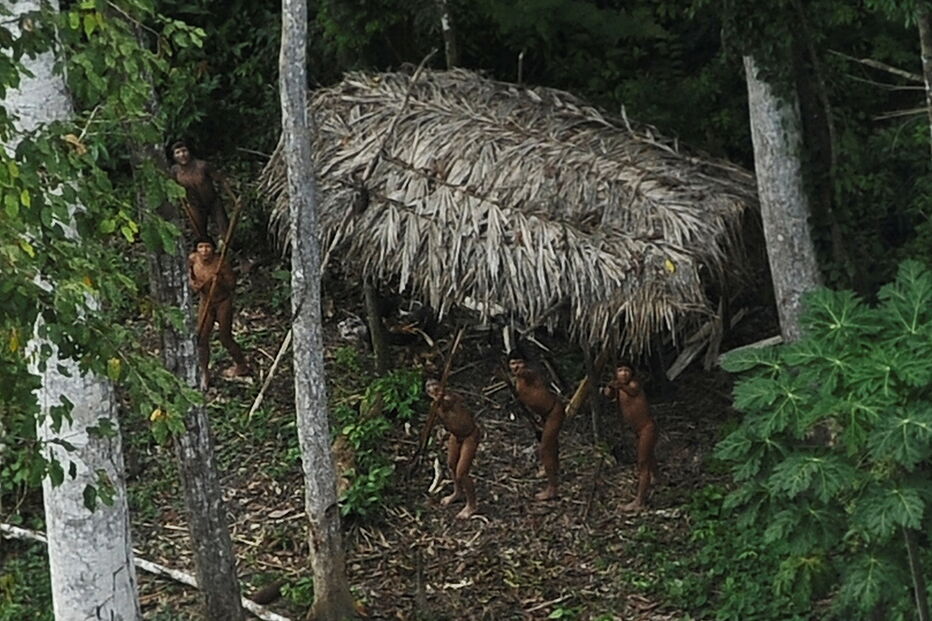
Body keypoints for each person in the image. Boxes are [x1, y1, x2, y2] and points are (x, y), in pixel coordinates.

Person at [188, 238, 249, 390]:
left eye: (207, 247)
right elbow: (189, 275)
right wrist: (194, 284)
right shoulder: (193, 259)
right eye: (201, 247)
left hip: (222, 301)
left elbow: (232, 285)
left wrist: (220, 280)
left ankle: (241, 366)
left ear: (213, 249)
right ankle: (204, 373)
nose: (204, 251)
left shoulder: (220, 262)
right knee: (202, 337)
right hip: (205, 301)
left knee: (225, 337)